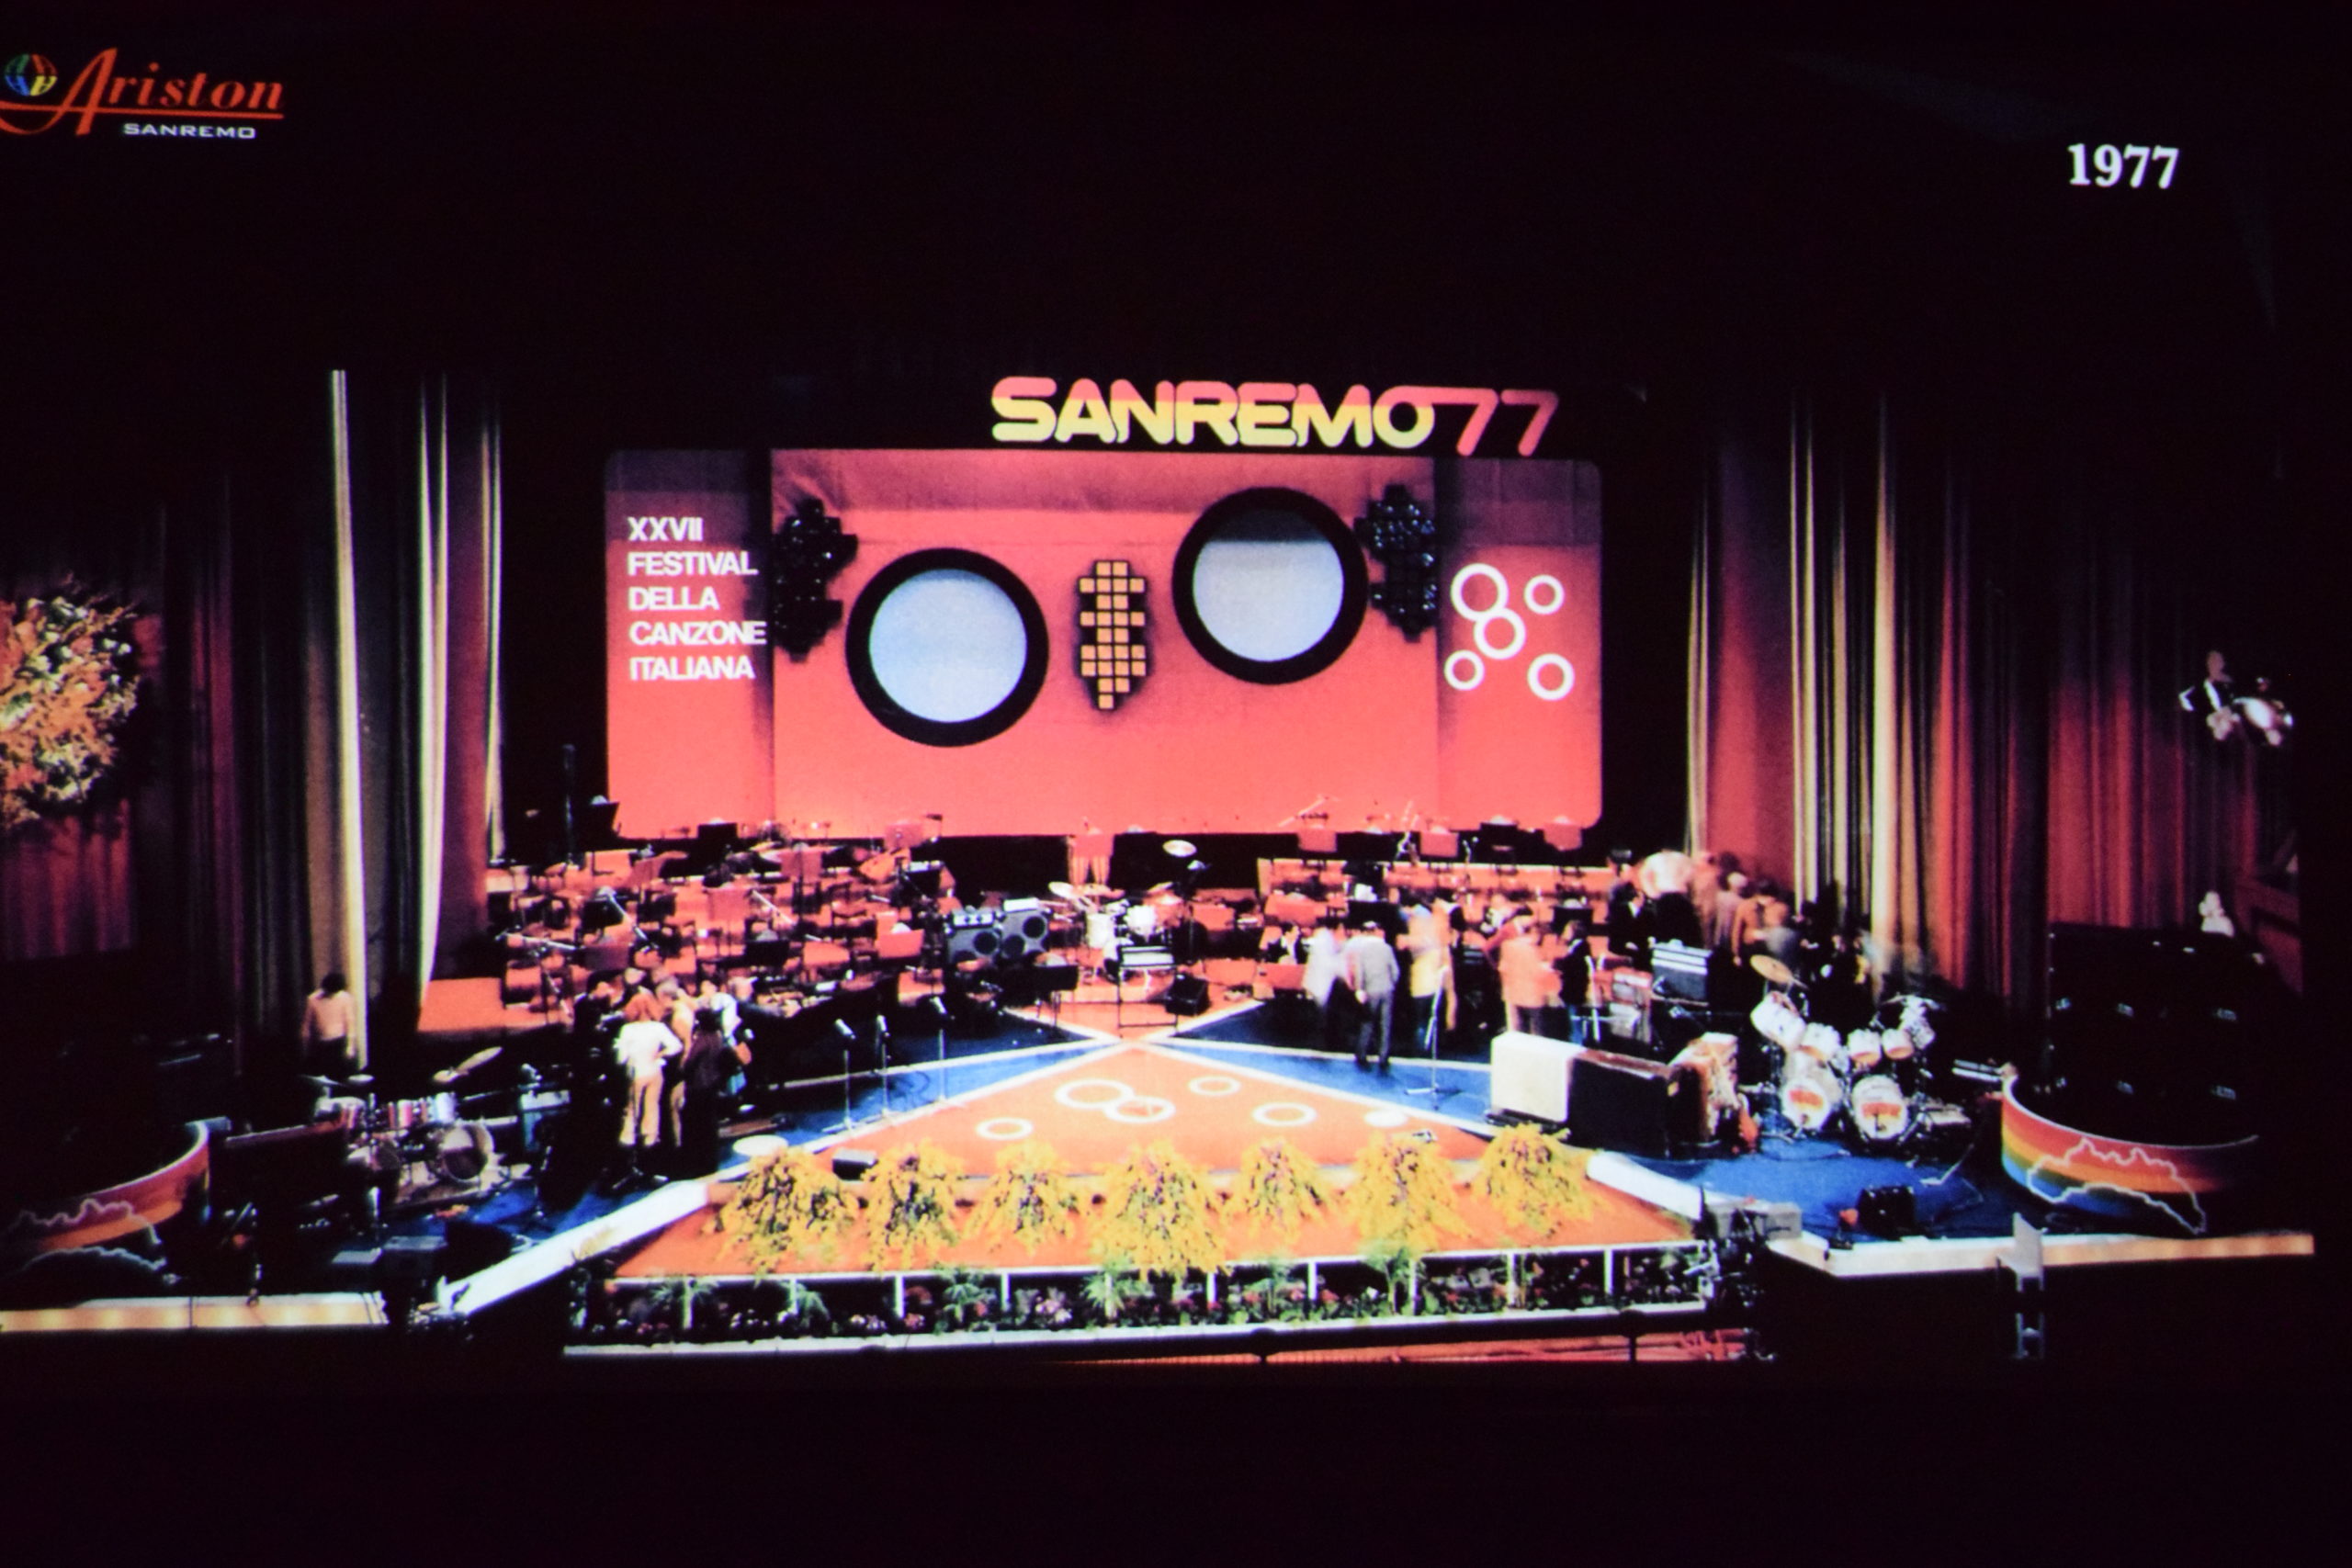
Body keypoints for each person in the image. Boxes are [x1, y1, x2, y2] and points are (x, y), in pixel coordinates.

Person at [678, 1006, 753, 1175]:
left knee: (700, 1125)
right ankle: (710, 1160)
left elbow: (690, 1062)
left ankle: (700, 1163)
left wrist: (683, 1066)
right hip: (712, 1083)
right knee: (710, 1125)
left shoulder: (703, 1040)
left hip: (699, 1086)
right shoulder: (717, 1037)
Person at [612, 1014, 679, 1181]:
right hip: (654, 1071)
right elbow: (676, 1046)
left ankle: (628, 1156)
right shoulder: (658, 1027)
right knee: (652, 1111)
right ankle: (650, 1156)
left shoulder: (628, 1029)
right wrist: (661, 1054)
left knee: (631, 1114)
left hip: (636, 1073)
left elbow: (621, 1059)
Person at [1342, 918, 1402, 1071]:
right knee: (1385, 1024)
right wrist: (1391, 984)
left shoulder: (1362, 950)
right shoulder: (1386, 948)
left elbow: (1360, 971)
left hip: (1370, 990)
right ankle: (1383, 1056)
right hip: (1387, 989)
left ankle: (1362, 1053)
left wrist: (1359, 989)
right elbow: (1395, 971)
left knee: (1367, 1022)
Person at [1403, 897, 1453, 1060]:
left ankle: (1423, 1049)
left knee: (1424, 1019)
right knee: (1424, 1019)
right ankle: (1423, 1048)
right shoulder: (1429, 942)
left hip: (1427, 987)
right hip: (1426, 986)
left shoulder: (1430, 943)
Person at [1492, 908, 1553, 1037]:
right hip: (1533, 997)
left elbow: (1502, 969)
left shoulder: (1507, 946)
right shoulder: (1534, 951)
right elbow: (1539, 974)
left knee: (1517, 1034)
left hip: (1512, 996)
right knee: (1536, 1034)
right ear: (1534, 932)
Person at [1302, 916, 1350, 1054]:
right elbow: (1332, 964)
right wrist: (1346, 975)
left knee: (1322, 1016)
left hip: (1319, 983)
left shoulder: (1325, 940)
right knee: (1322, 1017)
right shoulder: (1324, 942)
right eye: (1341, 929)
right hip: (1321, 984)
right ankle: (1321, 1045)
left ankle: (1322, 1043)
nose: (1343, 932)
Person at [302, 973, 356, 1074]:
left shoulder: (345, 998)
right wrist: (305, 1045)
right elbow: (307, 1023)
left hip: (339, 1043)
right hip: (320, 1044)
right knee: (322, 1074)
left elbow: (350, 1022)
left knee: (339, 1074)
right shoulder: (313, 999)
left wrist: (350, 1046)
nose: (332, 995)